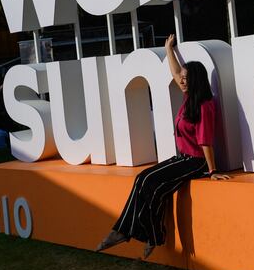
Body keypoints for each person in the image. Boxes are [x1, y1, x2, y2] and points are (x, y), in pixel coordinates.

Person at [96, 34, 230, 258]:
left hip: (196, 162)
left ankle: (134, 233)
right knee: (144, 180)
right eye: (182, 79)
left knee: (149, 181)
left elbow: (205, 141)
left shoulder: (204, 105)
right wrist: (169, 49)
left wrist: (212, 170)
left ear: (196, 80)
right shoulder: (189, 98)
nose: (182, 81)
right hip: (183, 158)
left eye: (186, 79)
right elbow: (176, 73)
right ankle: (133, 233)